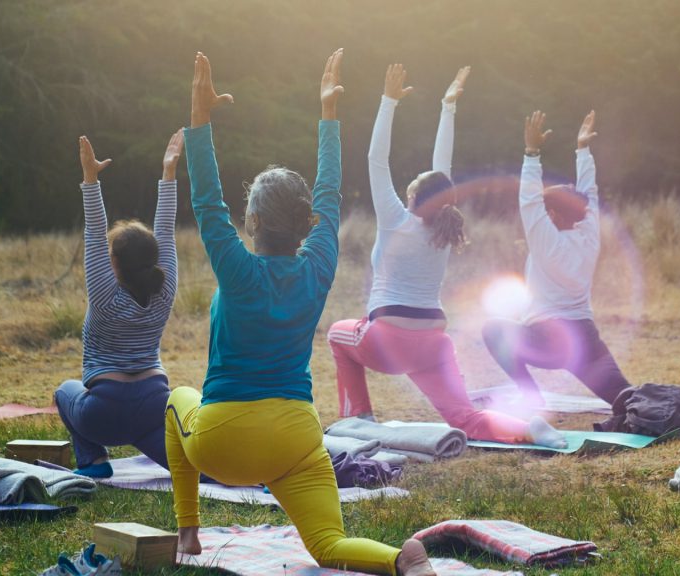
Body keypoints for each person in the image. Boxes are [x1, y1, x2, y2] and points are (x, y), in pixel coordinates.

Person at [164, 50, 436, 575]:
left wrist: (199, 122)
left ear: (254, 221)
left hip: (224, 444)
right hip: (297, 437)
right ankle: (400, 560)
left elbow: (206, 201)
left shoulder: (238, 271)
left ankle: (189, 530)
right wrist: (329, 118)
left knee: (176, 399)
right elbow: (330, 193)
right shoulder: (318, 267)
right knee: (328, 544)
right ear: (307, 224)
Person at [327, 65, 565, 448]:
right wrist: (448, 107)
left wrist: (388, 101)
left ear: (411, 197)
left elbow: (376, 158)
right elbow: (443, 169)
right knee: (465, 417)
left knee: (338, 335)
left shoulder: (396, 220)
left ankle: (359, 418)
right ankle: (531, 428)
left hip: (386, 340)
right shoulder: (442, 228)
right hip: (434, 343)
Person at [54, 129, 182, 478]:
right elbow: (166, 231)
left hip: (104, 414)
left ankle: (94, 462)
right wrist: (168, 174)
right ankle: (245, 472)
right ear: (154, 260)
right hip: (155, 406)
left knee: (64, 391)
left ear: (113, 264)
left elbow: (95, 233)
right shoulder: (165, 289)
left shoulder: (104, 295)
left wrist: (90, 179)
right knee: (193, 467)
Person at [482, 110, 632, 409]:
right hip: (586, 342)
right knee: (629, 400)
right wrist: (583, 150)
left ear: (553, 215)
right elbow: (589, 193)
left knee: (493, 329)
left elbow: (529, 202)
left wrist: (532, 152)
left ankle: (531, 398)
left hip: (547, 341)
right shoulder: (589, 235)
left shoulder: (546, 242)